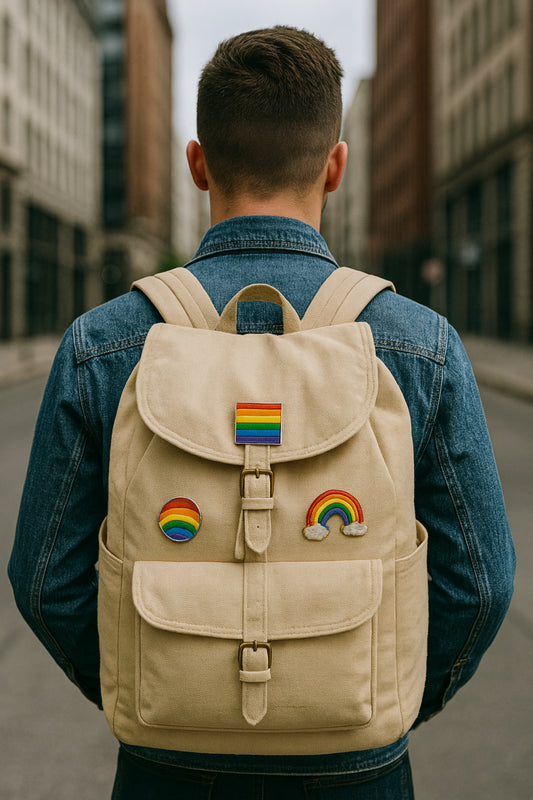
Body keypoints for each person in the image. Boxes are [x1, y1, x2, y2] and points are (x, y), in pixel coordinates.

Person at [9, 25, 515, 800]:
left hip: (165, 764)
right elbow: (480, 584)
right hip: (358, 766)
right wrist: (389, 695)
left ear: (198, 163)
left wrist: (154, 682)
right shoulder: (421, 346)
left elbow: (45, 580)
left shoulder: (100, 346)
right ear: (335, 166)